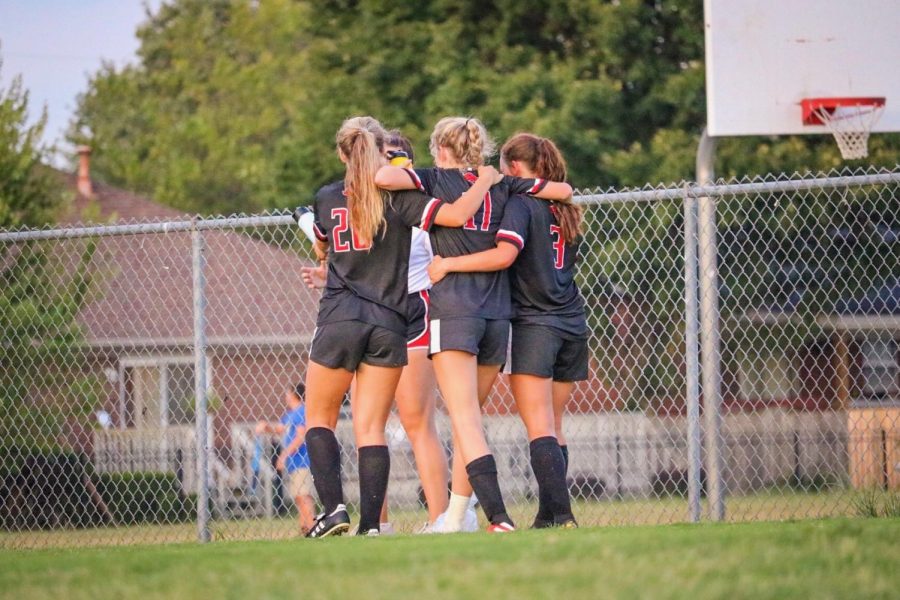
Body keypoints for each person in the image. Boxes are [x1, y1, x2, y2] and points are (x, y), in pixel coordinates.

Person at [301, 115, 501, 538]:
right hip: (391, 320)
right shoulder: (400, 197)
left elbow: (323, 241)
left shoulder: (327, 195)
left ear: (341, 152)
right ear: (381, 151)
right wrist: (485, 180)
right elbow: (456, 215)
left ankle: (335, 510)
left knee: (319, 418)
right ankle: (373, 526)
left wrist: (323, 252)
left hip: (340, 317)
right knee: (374, 427)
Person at [375, 117, 573, 532]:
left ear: (441, 150)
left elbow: (383, 175)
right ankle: (457, 515)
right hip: (497, 317)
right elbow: (563, 190)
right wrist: (488, 179)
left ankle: (498, 517)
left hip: (455, 311)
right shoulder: (503, 183)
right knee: (472, 418)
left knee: (465, 420)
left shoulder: (433, 178)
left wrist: (432, 172)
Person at [427, 132, 585, 528]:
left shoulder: (520, 203)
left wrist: (448, 264)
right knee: (555, 425)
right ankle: (549, 515)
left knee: (540, 426)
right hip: (572, 321)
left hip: (535, 323)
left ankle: (562, 515)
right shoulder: (564, 207)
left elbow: (505, 254)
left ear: (514, 168)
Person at [255, 383, 315, 534]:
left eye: (287, 394)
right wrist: (266, 426)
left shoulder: (301, 411)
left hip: (302, 460)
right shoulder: (289, 415)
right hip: (294, 463)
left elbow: (300, 436)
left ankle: (312, 526)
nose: (285, 397)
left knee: (304, 495)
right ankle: (305, 528)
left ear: (295, 395)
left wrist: (284, 454)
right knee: (298, 496)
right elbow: (280, 429)